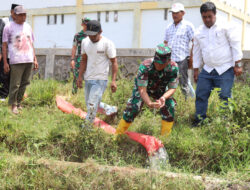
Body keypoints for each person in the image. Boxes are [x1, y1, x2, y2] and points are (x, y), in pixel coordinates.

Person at [192, 2, 243, 126]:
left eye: (210, 16)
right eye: (204, 17)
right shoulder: (199, 32)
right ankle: (200, 121)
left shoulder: (226, 26)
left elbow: (235, 44)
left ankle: (224, 124)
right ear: (201, 16)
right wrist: (196, 70)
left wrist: (238, 64)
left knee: (225, 96)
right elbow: (197, 51)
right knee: (200, 94)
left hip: (225, 68)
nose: (207, 19)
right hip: (207, 69)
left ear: (215, 14)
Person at [116, 44, 179, 137]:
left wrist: (163, 98)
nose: (158, 65)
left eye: (161, 63)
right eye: (157, 62)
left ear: (168, 61)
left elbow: (172, 88)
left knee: (170, 106)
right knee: (134, 106)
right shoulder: (145, 66)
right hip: (145, 88)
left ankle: (165, 138)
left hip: (162, 90)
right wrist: (149, 103)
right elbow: (142, 90)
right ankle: (118, 134)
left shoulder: (173, 67)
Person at [77, 20, 118, 127]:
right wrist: (80, 77)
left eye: (94, 35)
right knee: (91, 103)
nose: (91, 37)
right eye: (89, 35)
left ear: (100, 31)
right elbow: (84, 60)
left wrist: (113, 81)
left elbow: (114, 62)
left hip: (101, 79)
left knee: (91, 105)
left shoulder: (107, 43)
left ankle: (87, 128)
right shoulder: (85, 42)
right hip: (88, 78)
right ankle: (111, 110)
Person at [2, 5, 38, 114]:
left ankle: (18, 103)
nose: (23, 17)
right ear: (14, 15)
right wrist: (5, 62)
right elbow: (4, 45)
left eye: (25, 15)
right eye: (21, 15)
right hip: (16, 60)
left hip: (28, 59)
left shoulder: (28, 26)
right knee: (15, 84)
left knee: (25, 83)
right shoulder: (8, 27)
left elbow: (31, 43)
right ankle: (13, 105)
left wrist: (35, 58)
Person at [164, 2, 195, 99]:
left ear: (183, 13)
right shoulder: (168, 27)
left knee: (183, 84)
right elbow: (165, 43)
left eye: (177, 12)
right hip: (169, 60)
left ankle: (187, 103)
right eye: (173, 13)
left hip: (182, 59)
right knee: (168, 84)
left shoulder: (188, 26)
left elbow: (195, 43)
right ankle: (169, 103)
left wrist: (191, 58)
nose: (174, 15)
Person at [0, 4, 19, 101]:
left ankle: (12, 95)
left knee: (14, 75)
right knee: (4, 75)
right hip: (5, 54)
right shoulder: (4, 21)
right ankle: (3, 95)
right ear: (12, 12)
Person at [71, 17, 90, 95]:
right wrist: (72, 59)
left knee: (89, 78)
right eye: (85, 24)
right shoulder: (78, 35)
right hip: (79, 58)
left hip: (90, 59)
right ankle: (74, 94)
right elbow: (74, 47)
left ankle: (86, 94)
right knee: (76, 76)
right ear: (82, 24)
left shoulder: (92, 35)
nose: (87, 26)